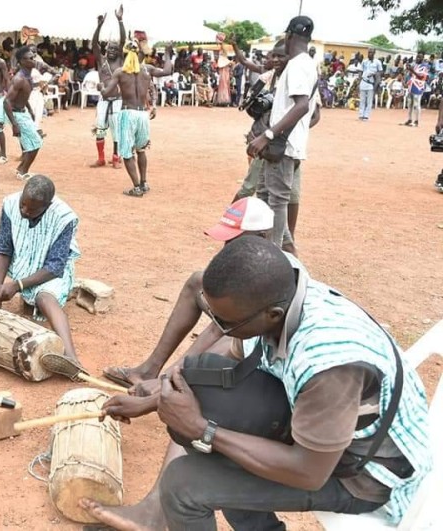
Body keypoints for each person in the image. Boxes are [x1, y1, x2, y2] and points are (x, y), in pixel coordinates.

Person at [83, 236, 431, 531]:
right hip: (330, 433)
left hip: (367, 473)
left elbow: (308, 472)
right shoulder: (283, 286)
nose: (216, 326)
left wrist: (203, 429)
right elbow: (234, 352)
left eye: (225, 322)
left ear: (272, 316)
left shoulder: (329, 365)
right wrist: (157, 396)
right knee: (224, 413)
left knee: (184, 483)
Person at [103, 197, 293, 388]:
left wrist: (165, 382)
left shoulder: (266, 274)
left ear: (261, 237)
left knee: (224, 336)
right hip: (235, 325)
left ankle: (169, 383)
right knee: (197, 282)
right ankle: (148, 371)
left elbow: (219, 327)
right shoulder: (248, 258)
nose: (227, 247)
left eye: (234, 240)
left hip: (254, 338)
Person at [0, 175, 82, 368]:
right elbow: (4, 247)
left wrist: (18, 285)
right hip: (21, 258)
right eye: (23, 204)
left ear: (47, 206)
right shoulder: (10, 203)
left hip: (47, 270)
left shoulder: (65, 218)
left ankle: (71, 358)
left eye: (31, 209)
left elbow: (55, 266)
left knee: (44, 299)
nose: (24, 210)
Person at [247, 16, 317, 254]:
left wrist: (267, 134)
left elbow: (302, 105)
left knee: (276, 200)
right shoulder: (307, 63)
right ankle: (287, 249)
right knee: (266, 195)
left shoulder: (297, 65)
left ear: (288, 36)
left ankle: (274, 254)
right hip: (285, 144)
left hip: (282, 145)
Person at [101, 38, 173, 197]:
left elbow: (106, 93)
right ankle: (144, 182)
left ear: (125, 54)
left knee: (127, 153)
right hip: (142, 114)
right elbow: (167, 71)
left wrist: (100, 87)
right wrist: (167, 53)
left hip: (127, 113)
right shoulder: (147, 70)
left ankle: (136, 187)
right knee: (141, 150)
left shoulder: (120, 72)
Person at [91, 6, 126, 168]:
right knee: (100, 127)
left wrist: (120, 20)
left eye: (114, 49)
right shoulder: (101, 60)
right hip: (104, 99)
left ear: (118, 51)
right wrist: (99, 26)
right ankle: (101, 157)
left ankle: (116, 157)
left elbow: (124, 41)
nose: (112, 51)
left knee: (116, 129)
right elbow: (94, 44)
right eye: (109, 48)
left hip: (118, 100)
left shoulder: (120, 61)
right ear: (106, 49)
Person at [4, 46, 44, 180]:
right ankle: (23, 171)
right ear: (21, 62)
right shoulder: (19, 79)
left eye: (33, 57)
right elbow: (7, 102)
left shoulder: (28, 76)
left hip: (23, 112)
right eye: (30, 58)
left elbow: (22, 96)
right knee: (36, 142)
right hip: (17, 114)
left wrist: (30, 110)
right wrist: (14, 124)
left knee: (32, 142)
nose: (33, 60)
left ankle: (21, 169)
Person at [403, 52, 428, 127]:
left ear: (423, 58)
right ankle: (409, 119)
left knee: (416, 104)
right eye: (417, 57)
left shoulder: (424, 66)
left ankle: (416, 121)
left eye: (419, 57)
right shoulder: (415, 65)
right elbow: (411, 75)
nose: (417, 58)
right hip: (412, 85)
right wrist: (408, 68)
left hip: (418, 86)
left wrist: (412, 70)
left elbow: (421, 76)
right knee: (410, 103)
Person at [359, 47, 383, 122]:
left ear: (374, 53)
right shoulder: (364, 61)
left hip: (371, 83)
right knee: (362, 100)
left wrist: (374, 74)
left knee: (369, 101)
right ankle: (361, 114)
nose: (370, 54)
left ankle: (366, 115)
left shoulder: (377, 62)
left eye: (371, 52)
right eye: (369, 52)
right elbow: (360, 71)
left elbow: (381, 72)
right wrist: (359, 79)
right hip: (363, 81)